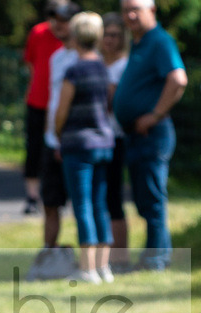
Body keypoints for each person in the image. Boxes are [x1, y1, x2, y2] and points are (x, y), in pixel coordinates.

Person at [112, 0, 187, 271]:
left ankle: (157, 260)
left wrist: (154, 114)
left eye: (136, 9)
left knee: (153, 200)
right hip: (137, 135)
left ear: (152, 10)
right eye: (126, 10)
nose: (130, 15)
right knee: (144, 200)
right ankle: (151, 256)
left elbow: (178, 79)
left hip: (153, 134)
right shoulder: (138, 41)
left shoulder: (159, 41)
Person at [55, 12, 116, 284]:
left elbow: (62, 110)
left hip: (79, 144)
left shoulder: (75, 70)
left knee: (82, 205)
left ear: (76, 36)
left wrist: (58, 133)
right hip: (104, 143)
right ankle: (104, 267)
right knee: (100, 204)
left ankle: (87, 268)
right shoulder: (103, 68)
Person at [21, 0, 71, 215]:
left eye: (62, 17)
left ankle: (61, 195)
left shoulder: (72, 40)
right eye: (53, 16)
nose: (57, 22)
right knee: (34, 149)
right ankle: (32, 196)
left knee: (59, 150)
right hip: (38, 102)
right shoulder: (38, 33)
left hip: (62, 105)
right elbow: (31, 62)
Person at [101, 13, 131, 271]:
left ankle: (120, 258)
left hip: (115, 137)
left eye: (114, 35)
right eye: (105, 34)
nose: (109, 40)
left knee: (113, 198)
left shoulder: (124, 65)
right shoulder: (97, 63)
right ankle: (100, 257)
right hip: (96, 138)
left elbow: (110, 101)